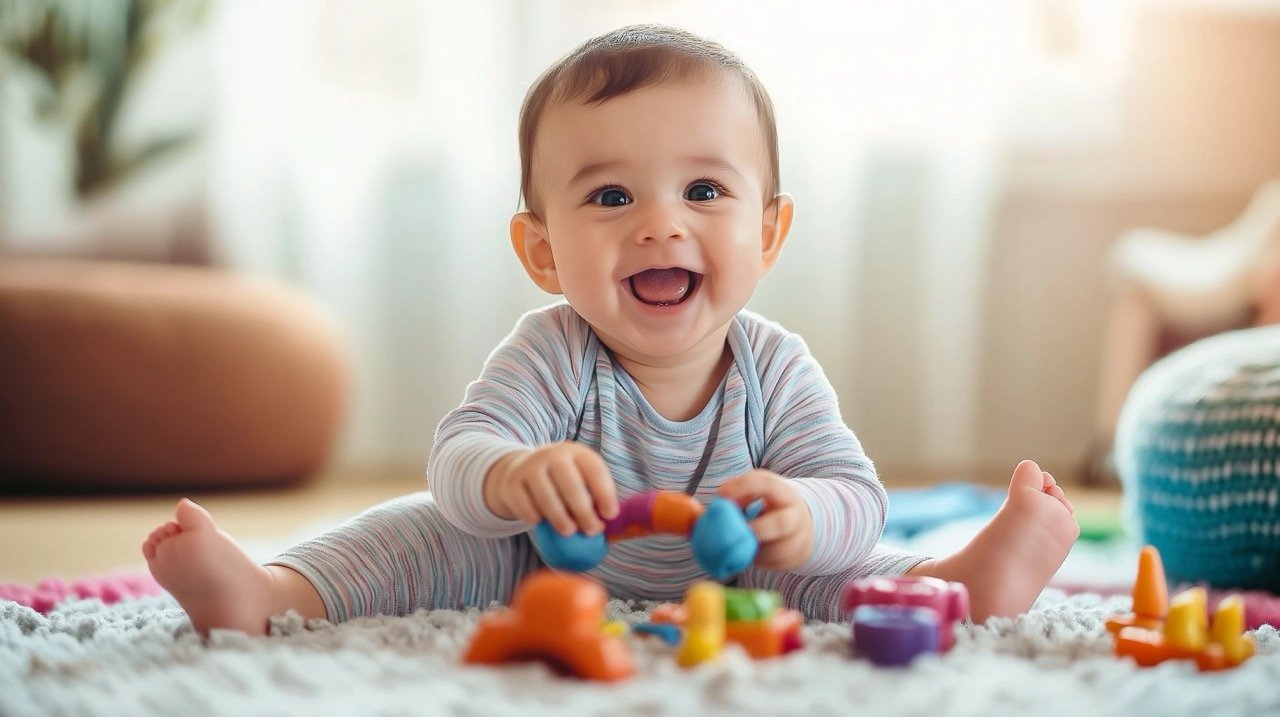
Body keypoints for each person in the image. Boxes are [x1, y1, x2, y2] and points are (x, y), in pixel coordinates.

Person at [142, 24, 1079, 636]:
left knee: (843, 567)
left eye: (705, 190)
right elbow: (459, 454)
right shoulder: (553, 350)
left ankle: (960, 582)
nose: (660, 223)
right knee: (424, 535)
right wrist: (511, 476)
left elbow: (855, 491)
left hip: (740, 577)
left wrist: (802, 517)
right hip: (543, 564)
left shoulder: (774, 365)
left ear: (768, 232)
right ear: (543, 251)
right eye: (611, 195)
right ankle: (275, 594)